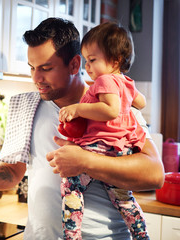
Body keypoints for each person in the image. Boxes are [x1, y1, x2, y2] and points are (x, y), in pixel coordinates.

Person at [0, 17, 164, 240]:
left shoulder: (114, 104)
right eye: (32, 68)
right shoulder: (27, 107)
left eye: (46, 68)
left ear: (74, 64)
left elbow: (154, 174)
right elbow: (11, 174)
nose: (36, 78)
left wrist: (85, 161)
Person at [58, 22, 148, 239]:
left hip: (100, 146)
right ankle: (141, 234)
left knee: (71, 185)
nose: (87, 66)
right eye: (86, 60)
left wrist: (78, 108)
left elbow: (109, 110)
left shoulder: (104, 80)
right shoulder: (126, 82)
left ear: (115, 60)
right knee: (123, 199)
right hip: (121, 148)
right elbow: (142, 102)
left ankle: (72, 234)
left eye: (93, 59)